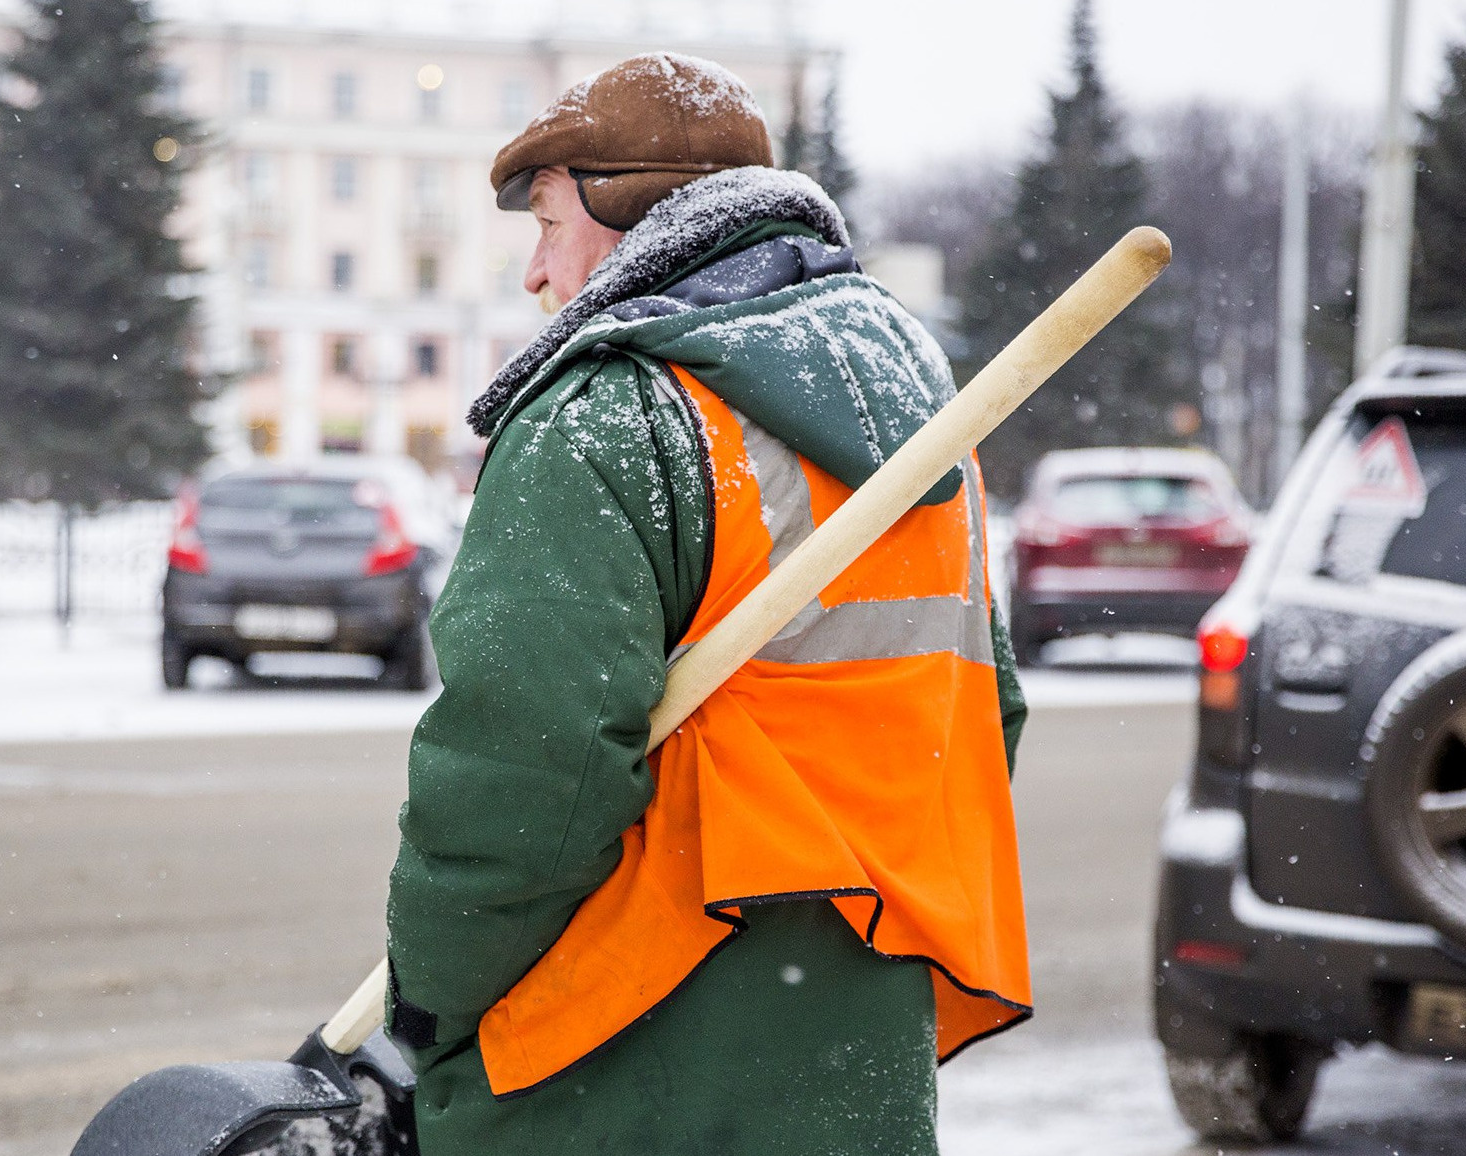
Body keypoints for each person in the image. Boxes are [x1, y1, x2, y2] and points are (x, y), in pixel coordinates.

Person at [386, 52, 1030, 1156]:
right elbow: (987, 715)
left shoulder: (605, 415)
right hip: (852, 1036)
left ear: (624, 207)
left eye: (547, 223)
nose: (538, 274)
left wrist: (433, 995)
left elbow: (526, 774)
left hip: (619, 1039)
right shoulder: (921, 436)